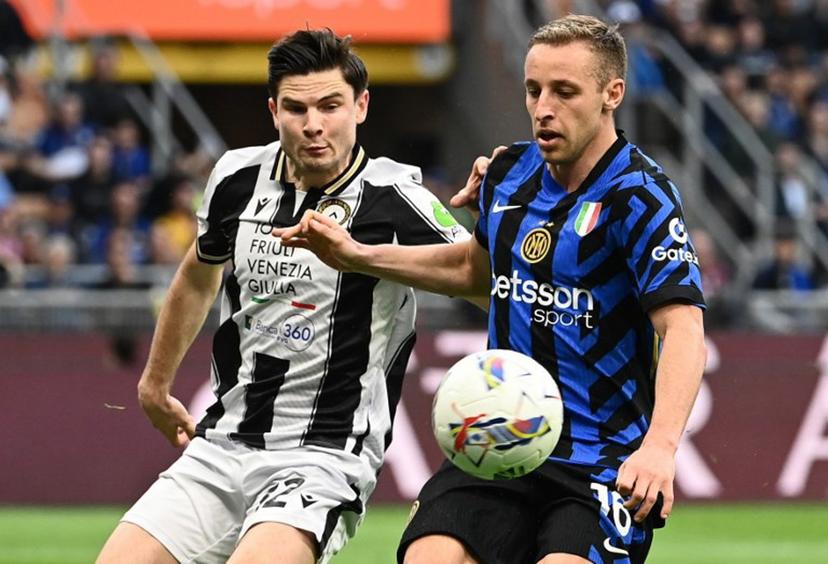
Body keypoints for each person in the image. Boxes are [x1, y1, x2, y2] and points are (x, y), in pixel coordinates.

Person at [280, 15, 707, 564]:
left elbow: (684, 329)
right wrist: (358, 256)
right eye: (533, 90)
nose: (543, 108)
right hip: (496, 443)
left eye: (564, 91)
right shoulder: (508, 173)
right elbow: (473, 271)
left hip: (600, 462)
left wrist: (661, 449)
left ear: (611, 94)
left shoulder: (641, 197)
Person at [96, 29, 469, 564]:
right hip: (222, 445)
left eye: (330, 105)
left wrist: (362, 256)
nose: (313, 124)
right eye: (296, 107)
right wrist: (155, 382)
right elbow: (198, 275)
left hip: (324, 456)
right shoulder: (236, 177)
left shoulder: (396, 196)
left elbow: (479, 276)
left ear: (361, 106)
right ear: (274, 110)